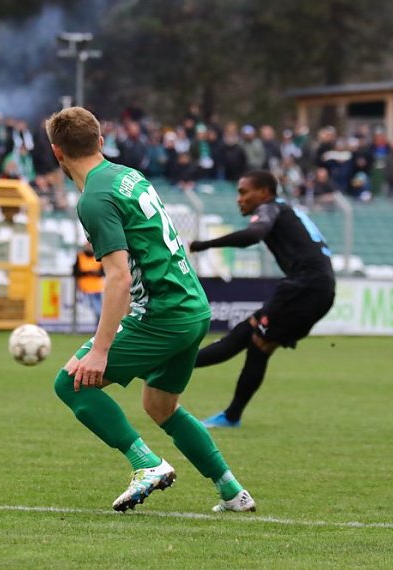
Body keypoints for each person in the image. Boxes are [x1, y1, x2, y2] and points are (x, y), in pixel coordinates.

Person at [47, 106, 256, 514]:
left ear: (57, 152)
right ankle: (233, 492)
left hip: (162, 313)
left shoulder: (95, 197)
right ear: (101, 141)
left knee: (70, 383)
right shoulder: (127, 175)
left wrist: (100, 350)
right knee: (160, 406)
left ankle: (147, 464)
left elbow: (118, 278)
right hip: (192, 307)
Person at [189, 170, 335, 428]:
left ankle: (170, 368)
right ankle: (230, 415)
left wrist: (204, 244)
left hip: (304, 287)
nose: (239, 199)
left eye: (244, 192)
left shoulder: (269, 208)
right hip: (317, 288)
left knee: (251, 339)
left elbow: (254, 234)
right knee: (252, 340)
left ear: (264, 193)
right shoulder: (286, 209)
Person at [73, 242, 104, 325]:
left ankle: (97, 328)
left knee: (98, 311)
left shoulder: (99, 257)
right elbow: (75, 271)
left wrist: (95, 273)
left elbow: (103, 272)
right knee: (86, 312)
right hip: (83, 289)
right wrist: (87, 273)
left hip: (97, 289)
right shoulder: (80, 256)